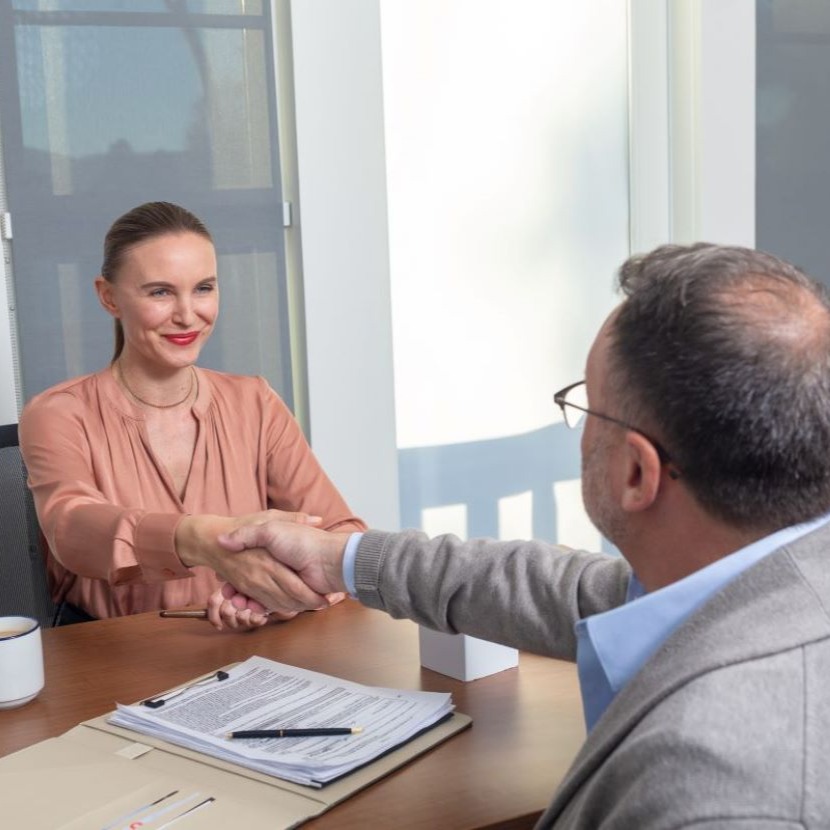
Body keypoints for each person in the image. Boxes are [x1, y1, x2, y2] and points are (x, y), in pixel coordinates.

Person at [217, 243, 830, 827]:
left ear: (637, 472)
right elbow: (569, 591)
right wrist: (339, 557)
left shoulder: (712, 786)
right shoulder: (765, 580)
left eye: (588, 406)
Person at [19, 201, 365, 631]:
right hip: (110, 654)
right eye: (160, 292)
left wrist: (284, 595)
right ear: (108, 296)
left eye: (203, 288)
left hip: (247, 650)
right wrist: (202, 538)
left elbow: (341, 537)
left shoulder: (254, 402)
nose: (187, 314)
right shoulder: (58, 413)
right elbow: (71, 529)